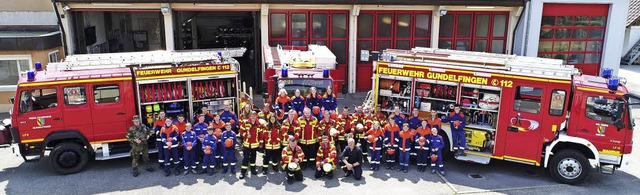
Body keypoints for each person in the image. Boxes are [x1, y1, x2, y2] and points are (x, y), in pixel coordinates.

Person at [239, 111, 263, 179]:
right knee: (245, 158)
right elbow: (241, 131)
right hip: (247, 144)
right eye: (252, 116)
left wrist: (261, 143)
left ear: (256, 116)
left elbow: (261, 134)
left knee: (253, 158)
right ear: (250, 116)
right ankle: (243, 172)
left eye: (254, 116)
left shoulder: (259, 124)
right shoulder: (246, 122)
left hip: (255, 145)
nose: (253, 117)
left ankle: (253, 170)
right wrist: (246, 135)